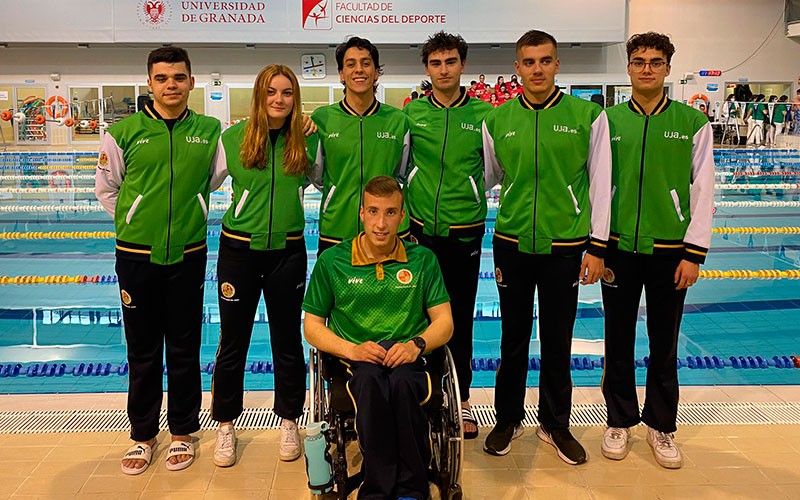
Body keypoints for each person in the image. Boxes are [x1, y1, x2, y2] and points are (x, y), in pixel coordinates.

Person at [481, 29, 611, 462]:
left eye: (545, 60)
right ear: (517, 68)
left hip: (566, 244)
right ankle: (507, 418)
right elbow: (493, 176)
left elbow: (600, 183)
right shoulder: (497, 120)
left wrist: (597, 246)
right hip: (512, 242)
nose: (537, 69)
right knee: (512, 337)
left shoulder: (586, 116)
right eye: (529, 62)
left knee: (558, 338)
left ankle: (555, 425)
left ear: (557, 64)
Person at [95, 46, 223, 474]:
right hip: (136, 256)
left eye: (179, 77)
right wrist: (137, 223)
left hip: (187, 253)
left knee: (185, 347)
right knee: (143, 349)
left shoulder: (209, 131)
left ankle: (183, 432)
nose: (171, 85)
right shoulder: (123, 132)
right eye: (163, 78)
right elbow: (108, 189)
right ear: (149, 83)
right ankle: (143, 435)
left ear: (191, 81)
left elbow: (215, 179)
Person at [601, 32, 714, 469]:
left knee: (664, 341)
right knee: (618, 338)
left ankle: (662, 426)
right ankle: (619, 419)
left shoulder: (691, 123)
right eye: (639, 61)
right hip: (617, 250)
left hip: (671, 251)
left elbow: (703, 191)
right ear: (628, 68)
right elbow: (596, 187)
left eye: (655, 61)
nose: (646, 68)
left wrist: (694, 252)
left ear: (668, 68)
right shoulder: (607, 121)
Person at [303, 176, 454, 500]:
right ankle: (378, 490)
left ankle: (411, 489)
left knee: (401, 384)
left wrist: (416, 345)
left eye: (390, 213)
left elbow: (445, 322)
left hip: (410, 357)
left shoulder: (423, 260)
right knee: (371, 383)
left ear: (402, 216)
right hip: (354, 362)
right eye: (373, 212)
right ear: (361, 214)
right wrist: (352, 349)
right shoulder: (333, 261)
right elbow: (312, 326)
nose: (381, 223)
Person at [209, 65, 318, 467]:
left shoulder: (306, 138)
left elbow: (319, 181)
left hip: (287, 251)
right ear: (259, 95)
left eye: (287, 93)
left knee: (288, 340)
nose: (279, 99)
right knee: (232, 341)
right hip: (238, 251)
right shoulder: (232, 139)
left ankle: (289, 419)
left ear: (295, 98)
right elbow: (204, 182)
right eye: (271, 92)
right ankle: (225, 425)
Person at [403, 31, 493, 440]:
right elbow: (402, 168)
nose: (443, 69)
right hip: (422, 232)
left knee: (458, 317)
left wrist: (470, 195)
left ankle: (461, 400)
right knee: (422, 317)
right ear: (427, 69)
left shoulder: (483, 115)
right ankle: (426, 397)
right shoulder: (412, 116)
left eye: (451, 61)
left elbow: (492, 171)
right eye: (436, 63)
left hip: (465, 232)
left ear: (462, 65)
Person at [311, 36, 410, 255]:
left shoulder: (397, 120)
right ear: (341, 74)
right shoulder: (322, 119)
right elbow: (317, 176)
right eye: (351, 64)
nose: (359, 70)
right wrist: (337, 193)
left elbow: (401, 174)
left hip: (387, 232)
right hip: (336, 229)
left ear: (376, 73)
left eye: (366, 63)